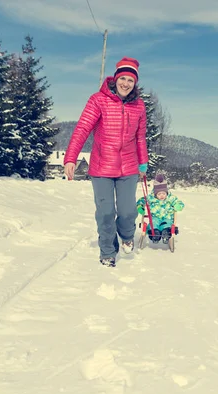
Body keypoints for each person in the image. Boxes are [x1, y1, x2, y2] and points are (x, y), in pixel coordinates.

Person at [63, 56, 148, 267]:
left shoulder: (138, 105)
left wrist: (143, 163)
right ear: (116, 78)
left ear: (135, 83)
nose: (126, 84)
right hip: (102, 167)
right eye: (123, 78)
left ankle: (127, 235)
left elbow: (140, 137)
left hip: (128, 166)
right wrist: (71, 157)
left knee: (129, 211)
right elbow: (82, 128)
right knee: (106, 212)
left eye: (131, 80)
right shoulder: (98, 100)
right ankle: (108, 250)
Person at [136, 174, 184, 244]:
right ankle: (155, 234)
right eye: (159, 194)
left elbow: (179, 203)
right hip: (155, 217)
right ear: (155, 194)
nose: (162, 196)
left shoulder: (170, 198)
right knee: (153, 224)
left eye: (164, 193)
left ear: (166, 192)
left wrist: (178, 205)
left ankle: (166, 233)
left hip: (167, 218)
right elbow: (141, 200)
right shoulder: (151, 198)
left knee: (166, 224)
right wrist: (140, 206)